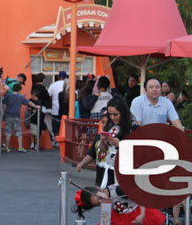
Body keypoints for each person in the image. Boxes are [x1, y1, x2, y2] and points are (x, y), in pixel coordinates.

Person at [130, 77, 183, 224]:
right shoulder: (137, 102)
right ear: (145, 89)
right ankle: (142, 215)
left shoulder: (166, 103)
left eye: (157, 87)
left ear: (161, 89)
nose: (155, 89)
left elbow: (176, 123)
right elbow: (137, 126)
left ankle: (164, 217)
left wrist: (182, 139)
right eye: (151, 87)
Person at [73, 185, 165, 224]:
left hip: (137, 211)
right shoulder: (106, 199)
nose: (102, 201)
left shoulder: (117, 190)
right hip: (120, 217)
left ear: (99, 189)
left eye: (99, 198)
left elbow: (140, 194)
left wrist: (142, 214)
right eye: (98, 204)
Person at [76, 111, 112, 186]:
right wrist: (82, 163)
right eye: (103, 122)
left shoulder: (114, 138)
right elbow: (91, 154)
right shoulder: (98, 137)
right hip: (99, 174)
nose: (104, 125)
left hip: (110, 175)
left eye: (107, 122)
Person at [3, 83, 40, 153]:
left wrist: (3, 114)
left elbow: (4, 106)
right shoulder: (20, 97)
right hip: (16, 116)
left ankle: (7, 147)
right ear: (20, 90)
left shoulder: (8, 96)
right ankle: (20, 147)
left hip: (8, 116)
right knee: (18, 132)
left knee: (8, 132)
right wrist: (36, 106)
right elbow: (29, 103)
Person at [48, 71, 67, 140]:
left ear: (58, 77)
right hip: (66, 110)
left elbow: (49, 96)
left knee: (56, 128)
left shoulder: (53, 85)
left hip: (55, 109)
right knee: (65, 127)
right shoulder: (68, 84)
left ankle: (56, 141)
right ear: (66, 77)